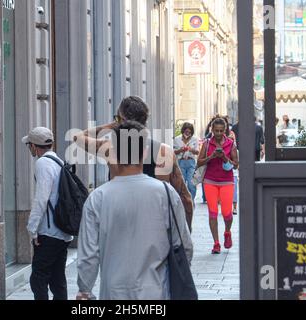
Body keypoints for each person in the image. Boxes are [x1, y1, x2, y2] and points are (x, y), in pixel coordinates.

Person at [76, 121, 193, 300]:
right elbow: (184, 245)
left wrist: (85, 290)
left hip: (113, 293)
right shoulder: (165, 193)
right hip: (157, 293)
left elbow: (88, 255)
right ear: (145, 152)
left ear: (113, 152)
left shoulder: (97, 198)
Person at [74, 96, 195, 232]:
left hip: (121, 227)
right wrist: (186, 233)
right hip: (157, 230)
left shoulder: (109, 149)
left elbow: (78, 137)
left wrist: (111, 125)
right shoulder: (164, 152)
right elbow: (185, 199)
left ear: (121, 121)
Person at [22, 127, 73, 300]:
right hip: (62, 232)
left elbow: (41, 198)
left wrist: (32, 228)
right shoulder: (58, 161)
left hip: (50, 232)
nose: (29, 148)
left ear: (35, 146)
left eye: (29, 145)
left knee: (38, 278)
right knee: (58, 280)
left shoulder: (43, 163)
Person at [197, 118, 239, 254]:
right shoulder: (207, 143)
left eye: (221, 130)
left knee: (227, 214)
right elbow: (199, 162)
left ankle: (227, 232)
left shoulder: (231, 144)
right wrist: (212, 157)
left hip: (226, 181)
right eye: (216, 131)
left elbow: (236, 164)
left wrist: (224, 158)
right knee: (213, 213)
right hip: (210, 181)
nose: (219, 133)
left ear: (225, 130)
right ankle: (216, 243)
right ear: (212, 130)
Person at [174, 123, 200, 203]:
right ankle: (183, 201)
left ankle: (191, 201)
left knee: (191, 184)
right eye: (186, 132)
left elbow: (197, 152)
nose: (187, 133)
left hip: (191, 162)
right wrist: (181, 150)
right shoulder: (177, 139)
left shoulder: (194, 139)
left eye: (189, 132)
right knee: (182, 183)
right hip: (181, 162)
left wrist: (191, 149)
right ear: (183, 131)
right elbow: (174, 151)